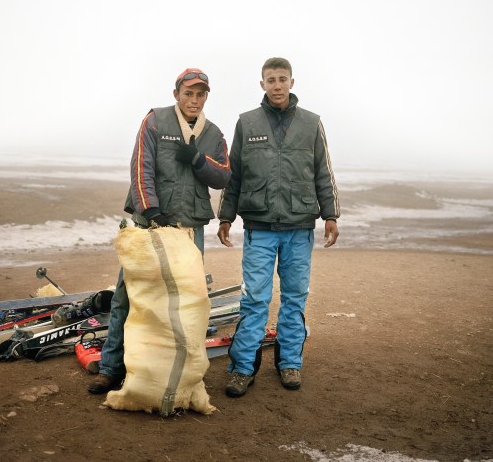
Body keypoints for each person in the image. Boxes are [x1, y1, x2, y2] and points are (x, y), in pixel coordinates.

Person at [88, 68, 231, 394]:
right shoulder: (155, 121)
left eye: (200, 94)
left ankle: (175, 372)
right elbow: (141, 166)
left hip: (189, 229)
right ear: (176, 93)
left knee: (186, 301)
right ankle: (110, 368)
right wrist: (151, 210)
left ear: (206, 96)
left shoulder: (214, 134)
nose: (194, 100)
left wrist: (198, 160)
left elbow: (223, 176)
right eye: (188, 93)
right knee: (129, 294)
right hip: (149, 224)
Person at [217, 57, 340, 398]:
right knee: (255, 298)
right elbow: (234, 175)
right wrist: (226, 217)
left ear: (291, 81)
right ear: (262, 84)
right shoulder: (247, 122)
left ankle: (289, 363)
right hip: (259, 227)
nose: (277, 85)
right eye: (270, 79)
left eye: (282, 79)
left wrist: (331, 215)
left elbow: (322, 173)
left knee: (294, 298)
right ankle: (242, 369)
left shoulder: (312, 123)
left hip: (300, 227)